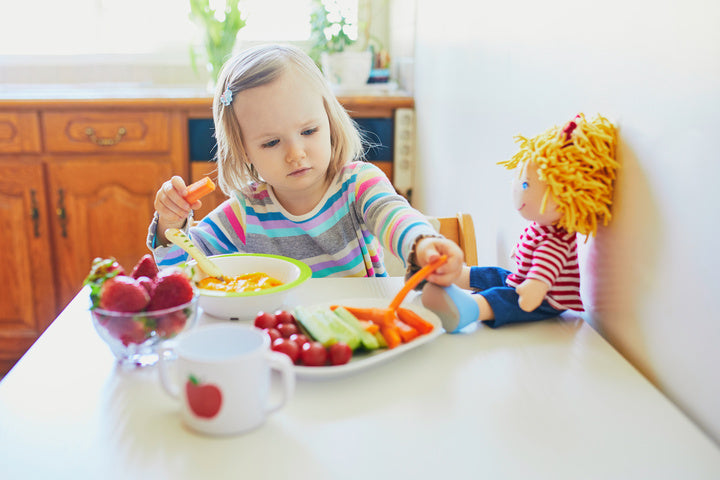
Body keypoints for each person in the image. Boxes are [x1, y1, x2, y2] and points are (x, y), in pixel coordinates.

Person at [147, 44, 462, 285]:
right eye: (271, 142)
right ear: (244, 152)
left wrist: (422, 244)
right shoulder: (244, 214)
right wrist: (170, 225)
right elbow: (181, 269)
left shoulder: (358, 185)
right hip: (283, 344)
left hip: (365, 330)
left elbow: (394, 216)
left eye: (309, 131)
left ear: (330, 121)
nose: (295, 153)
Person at [422, 113, 618, 330]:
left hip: (543, 300)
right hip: (522, 280)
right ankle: (452, 276)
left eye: (526, 185)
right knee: (495, 274)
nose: (517, 189)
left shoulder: (556, 242)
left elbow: (544, 271)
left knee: (504, 298)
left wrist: (533, 288)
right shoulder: (543, 227)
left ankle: (469, 308)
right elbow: (531, 242)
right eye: (520, 179)